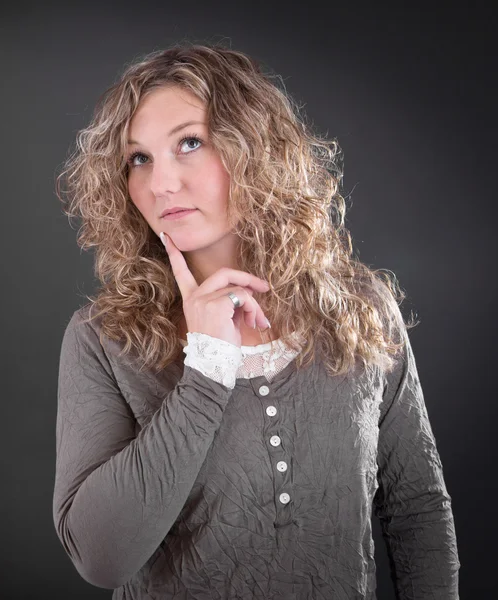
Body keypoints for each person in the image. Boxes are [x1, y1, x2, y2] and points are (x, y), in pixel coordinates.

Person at [52, 42, 460, 599]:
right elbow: (100, 557)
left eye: (189, 143)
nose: (160, 183)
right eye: (138, 159)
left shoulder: (361, 310)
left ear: (254, 147)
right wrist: (206, 367)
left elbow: (417, 510)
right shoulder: (103, 338)